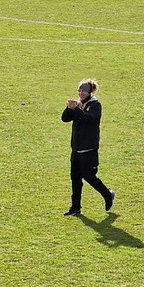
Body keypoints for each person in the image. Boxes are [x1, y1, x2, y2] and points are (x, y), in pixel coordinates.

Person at [61, 78, 115, 217]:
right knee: (75, 179)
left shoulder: (95, 106)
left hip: (89, 149)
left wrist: (76, 110)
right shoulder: (78, 105)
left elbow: (89, 120)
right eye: (79, 90)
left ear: (90, 92)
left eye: (84, 91)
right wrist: (69, 108)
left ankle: (108, 194)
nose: (81, 93)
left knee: (89, 176)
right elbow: (65, 119)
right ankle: (75, 208)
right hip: (76, 149)